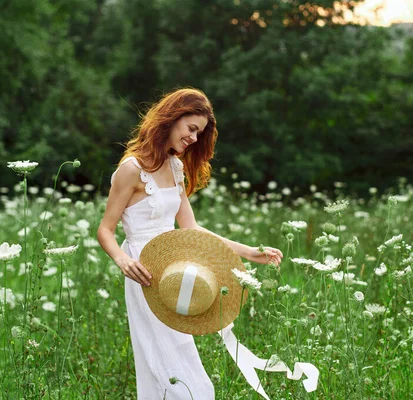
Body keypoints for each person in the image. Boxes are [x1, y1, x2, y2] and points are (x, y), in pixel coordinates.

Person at [97, 87, 283, 399]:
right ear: (171, 119)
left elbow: (192, 228)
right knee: (166, 362)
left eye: (199, 133)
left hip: (175, 266)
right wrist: (122, 260)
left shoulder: (175, 167)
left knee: (180, 353)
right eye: (191, 129)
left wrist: (249, 252)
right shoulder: (131, 170)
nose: (194, 139)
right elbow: (105, 229)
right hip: (143, 271)